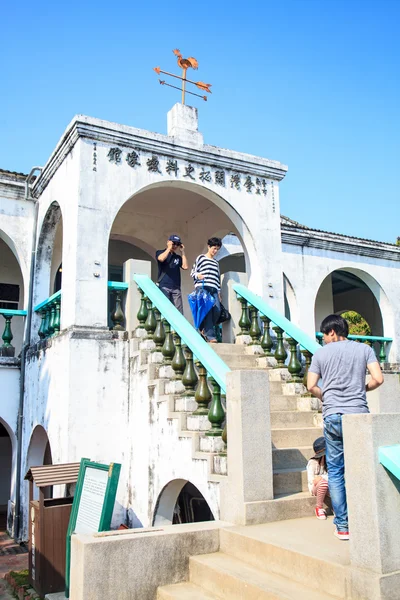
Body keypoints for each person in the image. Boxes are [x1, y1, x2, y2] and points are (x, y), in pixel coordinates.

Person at [307, 314, 384, 541]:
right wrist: (360, 390)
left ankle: (343, 526)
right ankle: (367, 519)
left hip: (333, 416)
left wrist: (327, 395)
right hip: (358, 414)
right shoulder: (364, 350)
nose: (323, 340)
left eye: (324, 335)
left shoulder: (321, 354)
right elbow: (378, 379)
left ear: (332, 331)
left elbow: (311, 385)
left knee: (337, 472)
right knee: (362, 466)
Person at [190, 237, 222, 342]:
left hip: (214, 289)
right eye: (214, 248)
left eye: (217, 249)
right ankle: (211, 336)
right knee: (207, 311)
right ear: (209, 246)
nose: (215, 251)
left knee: (217, 310)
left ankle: (203, 328)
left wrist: (219, 292)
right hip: (203, 287)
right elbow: (193, 272)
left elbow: (217, 278)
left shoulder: (216, 263)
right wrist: (198, 275)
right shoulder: (201, 258)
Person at [156, 234, 188, 314]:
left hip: (176, 287)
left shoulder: (177, 257)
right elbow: (161, 258)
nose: (175, 246)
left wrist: (183, 252)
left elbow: (185, 266)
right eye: (173, 243)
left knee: (178, 312)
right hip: (164, 286)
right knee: (164, 310)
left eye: (177, 244)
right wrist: (169, 248)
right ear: (168, 242)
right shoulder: (160, 252)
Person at [307, 436, 329, 520]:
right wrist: (323, 479)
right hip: (316, 487)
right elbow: (312, 480)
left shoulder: (331, 462)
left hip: (329, 486)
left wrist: (322, 477)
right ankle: (319, 507)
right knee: (323, 483)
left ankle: (337, 507)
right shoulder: (313, 462)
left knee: (336, 484)